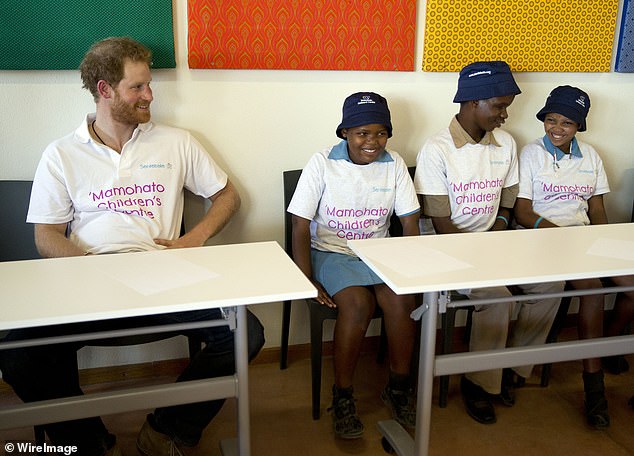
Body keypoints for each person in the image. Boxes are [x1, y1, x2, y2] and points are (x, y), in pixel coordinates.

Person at [0, 37, 265, 456]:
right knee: (18, 356)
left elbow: (228, 195)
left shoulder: (176, 141)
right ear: (105, 90)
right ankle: (87, 440)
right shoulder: (61, 154)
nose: (150, 95)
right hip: (87, 283)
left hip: (164, 278)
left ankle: (166, 428)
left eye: (149, 84)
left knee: (244, 333)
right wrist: (90, 268)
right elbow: (46, 235)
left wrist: (192, 240)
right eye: (137, 87)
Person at [414, 61, 565, 425]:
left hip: (495, 242)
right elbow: (440, 222)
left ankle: (512, 368)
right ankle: (478, 382)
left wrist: (497, 232)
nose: (505, 114)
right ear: (471, 103)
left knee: (551, 282)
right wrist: (482, 253)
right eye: (498, 105)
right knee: (498, 296)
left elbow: (508, 205)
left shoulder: (506, 143)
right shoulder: (436, 150)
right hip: (446, 249)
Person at [287, 92, 420, 439]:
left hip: (379, 252)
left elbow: (409, 222)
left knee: (402, 300)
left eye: (380, 133)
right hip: (331, 252)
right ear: (345, 132)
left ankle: (398, 386)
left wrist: (410, 270)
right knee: (359, 304)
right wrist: (307, 280)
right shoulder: (322, 163)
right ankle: (343, 396)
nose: (372, 141)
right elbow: (300, 224)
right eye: (362, 133)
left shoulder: (394, 165)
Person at [514, 85, 634, 428]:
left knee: (631, 286)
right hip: (545, 239)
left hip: (583, 240)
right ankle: (594, 388)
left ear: (579, 126)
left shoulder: (591, 156)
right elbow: (522, 212)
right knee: (591, 290)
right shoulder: (531, 153)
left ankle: (609, 344)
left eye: (566, 123)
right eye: (551, 120)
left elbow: (596, 208)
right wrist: (562, 235)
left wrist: (604, 243)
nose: (556, 128)